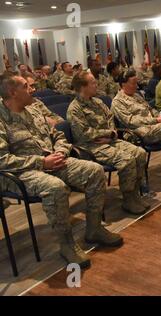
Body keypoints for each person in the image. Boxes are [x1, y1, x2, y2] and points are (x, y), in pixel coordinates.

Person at [0, 74, 123, 268]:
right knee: (55, 187)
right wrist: (42, 162)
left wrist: (60, 151)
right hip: (20, 172)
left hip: (53, 161)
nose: (32, 88)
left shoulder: (33, 110)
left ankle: (94, 228)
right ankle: (67, 245)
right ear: (12, 92)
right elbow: (2, 160)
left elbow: (58, 135)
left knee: (95, 170)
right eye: (26, 86)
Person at [67, 71, 149, 215]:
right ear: (83, 87)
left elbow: (110, 118)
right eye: (92, 82)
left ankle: (135, 194)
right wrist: (108, 134)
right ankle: (128, 199)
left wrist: (112, 134)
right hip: (91, 146)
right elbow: (84, 133)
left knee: (140, 153)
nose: (96, 84)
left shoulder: (97, 102)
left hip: (110, 140)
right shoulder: (75, 109)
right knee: (127, 160)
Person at [111, 69, 161, 194]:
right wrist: (156, 121)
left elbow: (150, 110)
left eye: (136, 83)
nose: (136, 86)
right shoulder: (117, 101)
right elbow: (130, 121)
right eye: (133, 83)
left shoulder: (136, 96)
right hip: (136, 132)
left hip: (153, 129)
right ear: (123, 84)